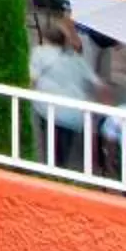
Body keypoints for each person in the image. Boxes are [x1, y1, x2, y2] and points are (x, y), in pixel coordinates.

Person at [29, 17, 106, 168]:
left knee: (52, 149)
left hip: (50, 110)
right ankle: (60, 168)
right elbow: (100, 85)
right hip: (75, 114)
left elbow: (32, 79)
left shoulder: (40, 53)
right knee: (63, 148)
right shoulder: (77, 59)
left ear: (45, 38)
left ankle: (53, 171)